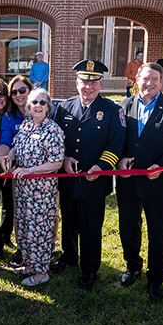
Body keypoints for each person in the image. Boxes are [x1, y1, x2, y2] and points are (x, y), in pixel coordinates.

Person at [52, 59, 125, 290]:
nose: (88, 87)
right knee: (69, 221)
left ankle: (90, 268)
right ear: (77, 83)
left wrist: (102, 167)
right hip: (69, 180)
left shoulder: (113, 111)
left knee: (91, 227)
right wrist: (63, 158)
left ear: (100, 85)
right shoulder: (64, 107)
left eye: (93, 83)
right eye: (84, 82)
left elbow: (116, 144)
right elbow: (57, 140)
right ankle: (69, 256)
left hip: (94, 181)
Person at [117, 62, 163, 300]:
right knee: (128, 226)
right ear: (137, 79)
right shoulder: (124, 106)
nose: (149, 83)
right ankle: (132, 266)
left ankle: (156, 277)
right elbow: (117, 141)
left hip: (158, 181)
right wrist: (120, 160)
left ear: (161, 82)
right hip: (128, 181)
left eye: (155, 79)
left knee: (158, 231)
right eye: (145, 78)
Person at [5, 87, 64, 286]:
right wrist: (9, 157)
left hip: (41, 191)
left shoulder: (53, 129)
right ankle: (30, 264)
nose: (38, 106)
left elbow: (56, 163)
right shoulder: (26, 125)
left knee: (39, 230)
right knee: (23, 227)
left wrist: (30, 171)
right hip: (22, 189)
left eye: (42, 102)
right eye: (34, 102)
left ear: (48, 107)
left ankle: (41, 272)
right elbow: (15, 146)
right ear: (28, 106)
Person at [0, 77, 27, 263]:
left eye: (1, 94)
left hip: (12, 165)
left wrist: (8, 159)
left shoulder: (14, 114)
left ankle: (6, 235)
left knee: (10, 204)